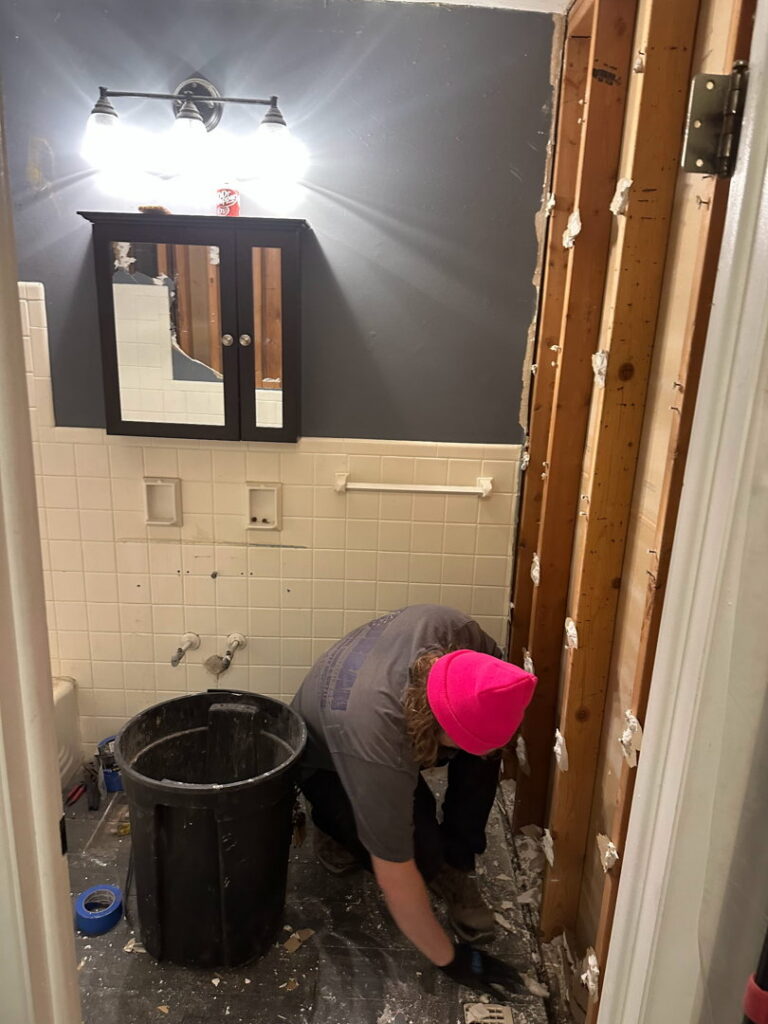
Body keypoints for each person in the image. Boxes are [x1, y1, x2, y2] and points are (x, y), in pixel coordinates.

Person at [291, 604, 537, 997]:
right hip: (327, 763)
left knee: (484, 754)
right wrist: (454, 959)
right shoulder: (376, 742)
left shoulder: (470, 646)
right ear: (433, 726)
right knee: (417, 857)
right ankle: (333, 826)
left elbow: (482, 736)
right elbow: (395, 874)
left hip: (386, 709)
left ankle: (456, 863)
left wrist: (478, 749)